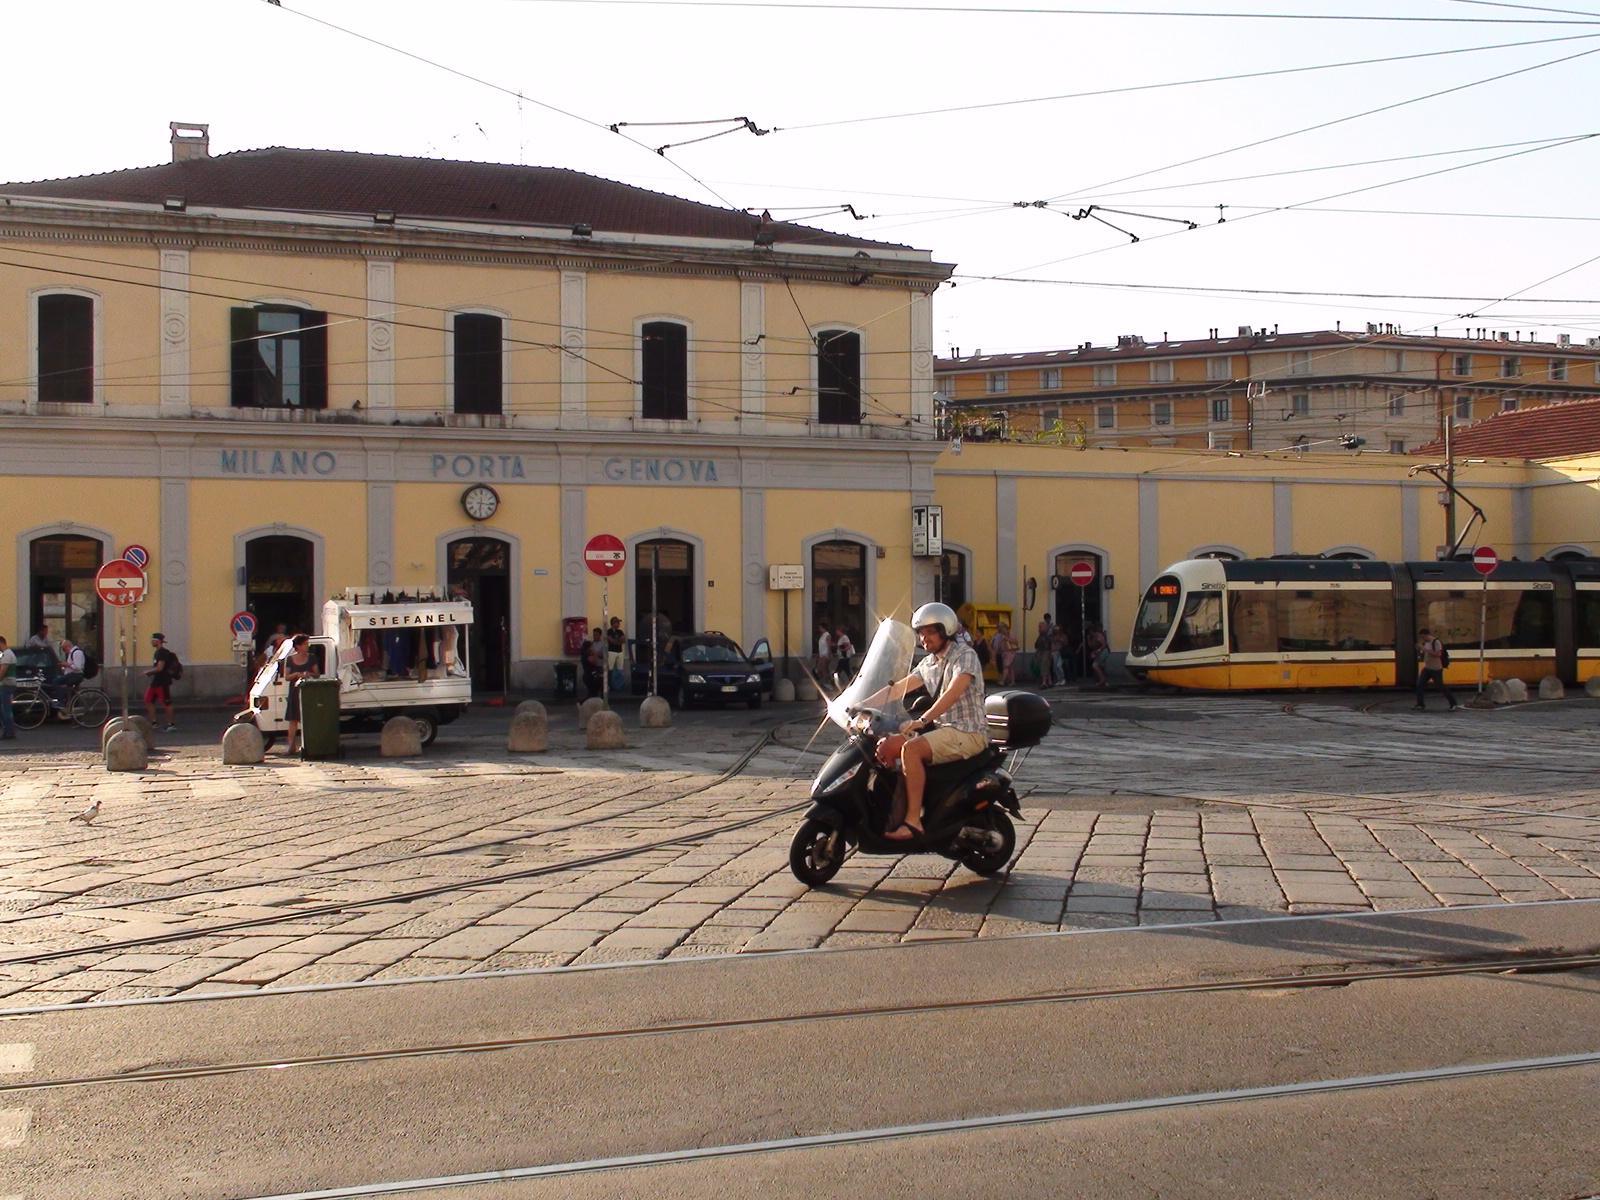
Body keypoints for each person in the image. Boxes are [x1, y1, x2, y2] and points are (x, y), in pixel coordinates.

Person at [857, 603, 989, 842]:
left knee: (911, 749)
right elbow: (897, 689)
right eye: (920, 632)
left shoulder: (964, 655)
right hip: (943, 732)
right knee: (885, 748)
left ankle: (913, 821)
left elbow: (953, 691)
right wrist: (859, 705)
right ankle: (889, 810)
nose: (923, 637)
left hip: (968, 732)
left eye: (929, 631)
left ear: (944, 630)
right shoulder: (928, 663)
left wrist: (923, 720)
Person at [281, 634, 318, 753]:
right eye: (305, 644)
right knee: (293, 720)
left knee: (309, 719)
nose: (308, 646)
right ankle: (291, 746)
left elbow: (317, 674)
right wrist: (297, 674)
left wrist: (308, 674)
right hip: (294, 691)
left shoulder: (312, 657)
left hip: (308, 691)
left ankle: (310, 745)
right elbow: (286, 677)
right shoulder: (290, 659)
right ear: (298, 646)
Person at [1415, 628, 1458, 711]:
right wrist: (1420, 651)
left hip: (1436, 669)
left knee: (1440, 687)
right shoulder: (1426, 643)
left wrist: (1424, 649)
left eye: (1423, 637)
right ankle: (1420, 704)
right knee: (1419, 685)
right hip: (1427, 668)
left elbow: (1438, 654)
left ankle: (1453, 703)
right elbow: (1426, 653)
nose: (1422, 639)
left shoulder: (1436, 642)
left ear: (1427, 635)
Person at [144, 633, 179, 732]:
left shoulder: (162, 653)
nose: (151, 642)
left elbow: (160, 668)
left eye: (153, 640)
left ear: (157, 641)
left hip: (162, 682)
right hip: (155, 681)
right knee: (148, 700)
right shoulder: (158, 652)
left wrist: (148, 672)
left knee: (167, 703)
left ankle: (171, 724)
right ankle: (154, 722)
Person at [46, 637, 86, 714]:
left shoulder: (77, 653)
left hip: (76, 675)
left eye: (64, 649)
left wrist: (67, 664)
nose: (65, 652)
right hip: (73, 674)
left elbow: (78, 667)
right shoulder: (72, 653)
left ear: (68, 646)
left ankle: (61, 702)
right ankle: (69, 705)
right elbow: (71, 667)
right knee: (64, 686)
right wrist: (64, 667)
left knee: (56, 682)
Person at [605, 617, 628, 694]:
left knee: (620, 669)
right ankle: (609, 685)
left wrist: (617, 641)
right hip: (611, 652)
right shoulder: (609, 631)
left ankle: (619, 686)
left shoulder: (620, 631)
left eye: (618, 623)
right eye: (617, 623)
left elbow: (623, 640)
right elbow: (611, 641)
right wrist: (618, 641)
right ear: (613, 623)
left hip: (620, 652)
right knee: (610, 669)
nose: (618, 624)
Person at [0, 636, 16, 740]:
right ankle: (7, 730)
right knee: (4, 709)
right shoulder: (6, 654)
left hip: (6, 684)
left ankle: (9, 732)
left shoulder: (7, 655)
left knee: (6, 709)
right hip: (6, 684)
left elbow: (3, 671)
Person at [1034, 616, 1057, 689]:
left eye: (1040, 627)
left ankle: (1044, 682)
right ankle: (1049, 681)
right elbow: (1037, 645)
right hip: (1042, 652)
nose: (1039, 629)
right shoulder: (1041, 636)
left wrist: (1051, 653)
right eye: (1039, 627)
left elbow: (1050, 645)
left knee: (1044, 666)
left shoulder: (1047, 636)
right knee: (1046, 667)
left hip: (1046, 652)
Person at [1085, 624, 1110, 689]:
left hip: (1104, 651)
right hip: (1098, 652)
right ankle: (1103, 681)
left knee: (1095, 665)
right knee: (1100, 666)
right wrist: (1088, 640)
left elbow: (1104, 644)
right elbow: (1091, 646)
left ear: (1092, 631)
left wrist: (1098, 651)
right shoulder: (1091, 637)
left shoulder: (1098, 635)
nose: (1089, 633)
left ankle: (1102, 680)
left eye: (1090, 632)